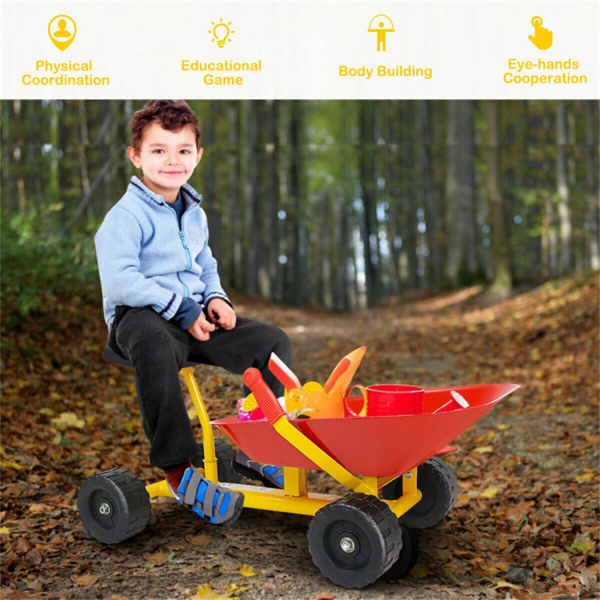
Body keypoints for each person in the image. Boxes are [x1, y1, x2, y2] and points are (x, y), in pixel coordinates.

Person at [95, 100, 291, 526]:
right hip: (141, 318)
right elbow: (120, 281)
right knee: (153, 343)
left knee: (272, 343)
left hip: (194, 316)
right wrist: (180, 308)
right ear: (136, 156)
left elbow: (204, 265)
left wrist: (217, 298)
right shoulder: (124, 217)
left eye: (183, 150)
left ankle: (261, 450)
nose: (172, 160)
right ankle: (179, 469)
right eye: (159, 150)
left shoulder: (194, 212)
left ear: (198, 156)